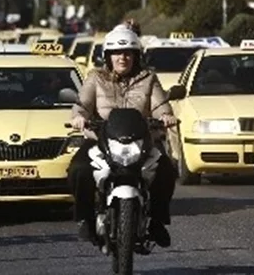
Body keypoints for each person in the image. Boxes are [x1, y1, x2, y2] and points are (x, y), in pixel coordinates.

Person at [68, 26, 179, 249]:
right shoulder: (95, 78)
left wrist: (166, 116)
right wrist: (79, 118)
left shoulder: (148, 78)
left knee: (167, 169)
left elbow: (159, 105)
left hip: (141, 141)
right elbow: (82, 105)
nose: (123, 57)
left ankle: (157, 222)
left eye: (129, 52)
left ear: (137, 56)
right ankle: (86, 220)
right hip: (101, 140)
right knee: (78, 170)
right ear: (107, 56)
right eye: (117, 53)